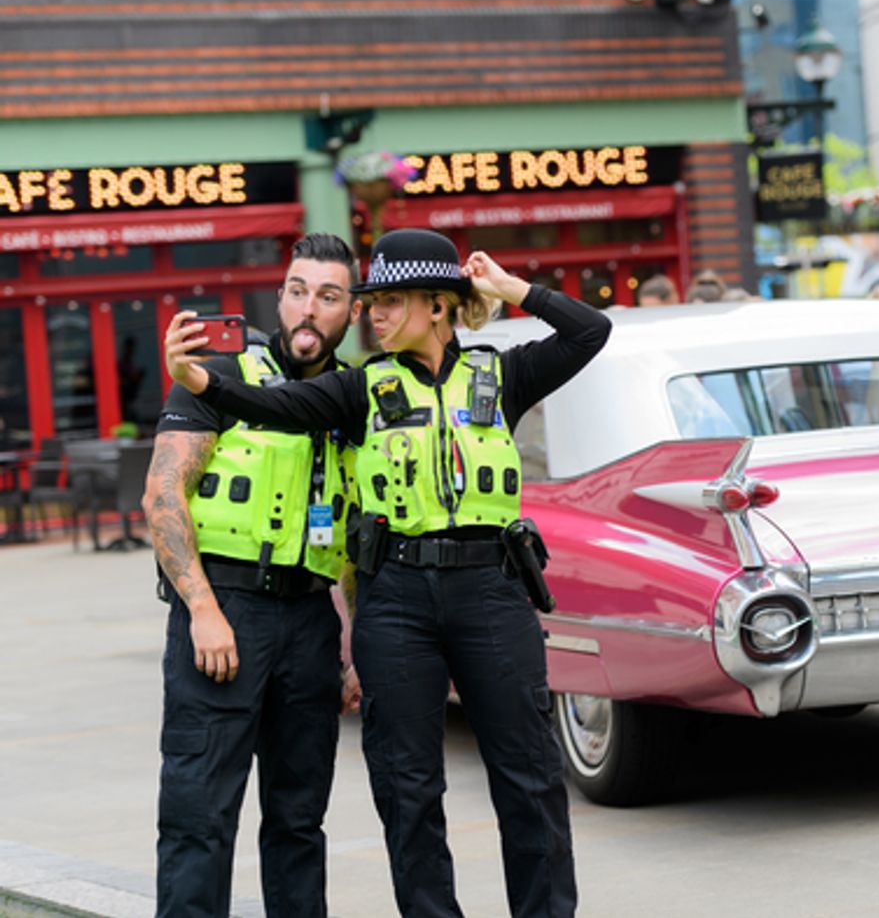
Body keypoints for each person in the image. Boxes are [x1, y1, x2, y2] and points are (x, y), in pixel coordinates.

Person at [164, 228, 610, 918]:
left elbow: (590, 331)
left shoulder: (502, 374)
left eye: (391, 300)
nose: (374, 313)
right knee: (408, 788)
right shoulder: (360, 388)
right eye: (370, 300)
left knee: (532, 776)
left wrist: (512, 290)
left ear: (439, 305)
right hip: (396, 598)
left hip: (491, 589)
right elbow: (275, 405)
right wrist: (199, 380)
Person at [143, 232, 363, 918]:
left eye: (328, 296)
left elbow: (354, 537)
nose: (309, 308)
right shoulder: (219, 375)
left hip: (309, 623)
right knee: (199, 815)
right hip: (225, 612)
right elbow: (161, 494)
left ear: (350, 312)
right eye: (298, 290)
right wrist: (203, 609)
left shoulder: (353, 399)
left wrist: (348, 646)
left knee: (299, 822)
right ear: (280, 297)